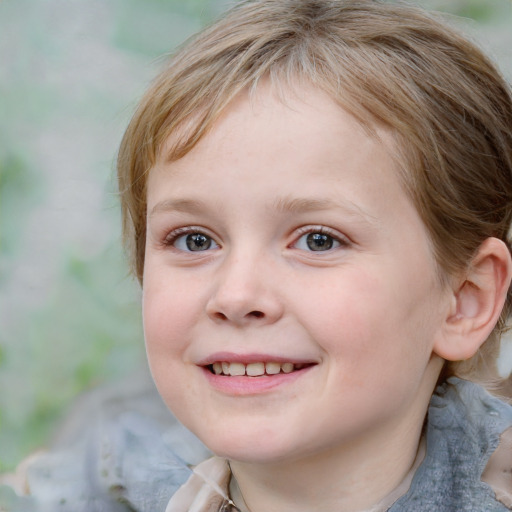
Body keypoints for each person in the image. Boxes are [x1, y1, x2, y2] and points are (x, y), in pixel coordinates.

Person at [3, 0, 512, 510]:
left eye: (318, 240)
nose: (237, 295)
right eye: (194, 240)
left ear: (465, 299)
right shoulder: (96, 486)